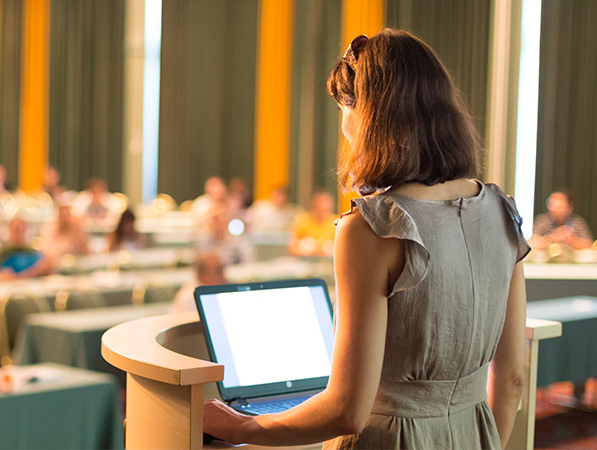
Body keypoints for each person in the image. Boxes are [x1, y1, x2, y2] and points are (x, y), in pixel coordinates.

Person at [203, 29, 529, 450]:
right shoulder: (504, 212)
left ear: (369, 116)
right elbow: (514, 378)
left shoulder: (373, 227)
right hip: (475, 433)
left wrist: (243, 428)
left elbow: (347, 408)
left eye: (345, 109)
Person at [195, 199, 253, 265]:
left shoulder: (238, 241)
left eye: (222, 218)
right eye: (216, 219)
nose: (219, 222)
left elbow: (247, 262)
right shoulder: (202, 241)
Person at [39, 194, 90, 261]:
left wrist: (75, 233)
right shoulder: (49, 228)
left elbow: (86, 252)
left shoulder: (77, 228)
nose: (65, 214)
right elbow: (48, 254)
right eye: (62, 210)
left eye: (68, 210)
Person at [288, 190, 338, 256]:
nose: (322, 205)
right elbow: (292, 248)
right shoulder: (302, 220)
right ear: (313, 203)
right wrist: (310, 252)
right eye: (319, 201)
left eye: (326, 201)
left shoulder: (337, 223)